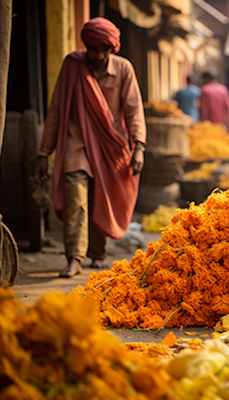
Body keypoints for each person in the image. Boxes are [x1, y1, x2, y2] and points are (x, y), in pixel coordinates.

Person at [34, 18, 146, 277]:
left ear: (112, 49)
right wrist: (43, 152)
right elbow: (57, 110)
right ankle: (74, 257)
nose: (97, 55)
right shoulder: (73, 66)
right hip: (76, 144)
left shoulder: (124, 69)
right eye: (93, 49)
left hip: (111, 147)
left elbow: (134, 111)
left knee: (102, 199)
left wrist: (138, 146)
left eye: (103, 50)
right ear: (86, 46)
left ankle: (97, 254)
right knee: (76, 199)